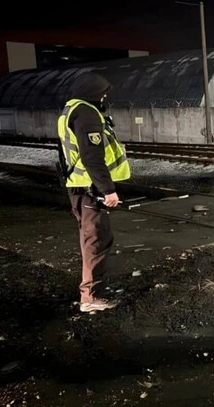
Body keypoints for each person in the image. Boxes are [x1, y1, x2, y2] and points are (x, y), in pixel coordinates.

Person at [56, 71, 131, 313]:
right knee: (96, 240)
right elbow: (91, 156)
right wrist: (108, 190)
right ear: (92, 93)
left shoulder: (71, 110)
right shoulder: (87, 113)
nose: (105, 97)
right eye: (103, 93)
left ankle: (91, 293)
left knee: (94, 239)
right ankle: (90, 297)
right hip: (89, 189)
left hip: (80, 186)